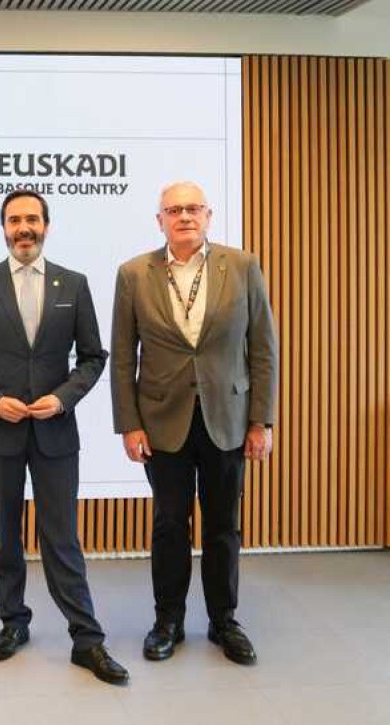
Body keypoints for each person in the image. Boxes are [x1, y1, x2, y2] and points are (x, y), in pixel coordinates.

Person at [0, 190, 128, 685]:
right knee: (6, 536)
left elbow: (92, 357)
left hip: (55, 433)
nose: (23, 227)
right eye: (14, 220)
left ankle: (87, 640)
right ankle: (13, 623)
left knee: (62, 538)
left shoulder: (74, 284)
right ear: (3, 228)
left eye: (31, 218)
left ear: (46, 225)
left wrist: (63, 398)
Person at [110, 181, 277, 666]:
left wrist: (261, 420)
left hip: (228, 417)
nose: (184, 216)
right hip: (162, 422)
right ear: (159, 220)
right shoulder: (133, 274)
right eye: (174, 210)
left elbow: (263, 349)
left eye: (193, 208)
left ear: (208, 216)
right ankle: (168, 621)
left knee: (224, 524)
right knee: (169, 524)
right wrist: (129, 424)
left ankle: (224, 621)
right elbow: (123, 356)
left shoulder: (242, 266)